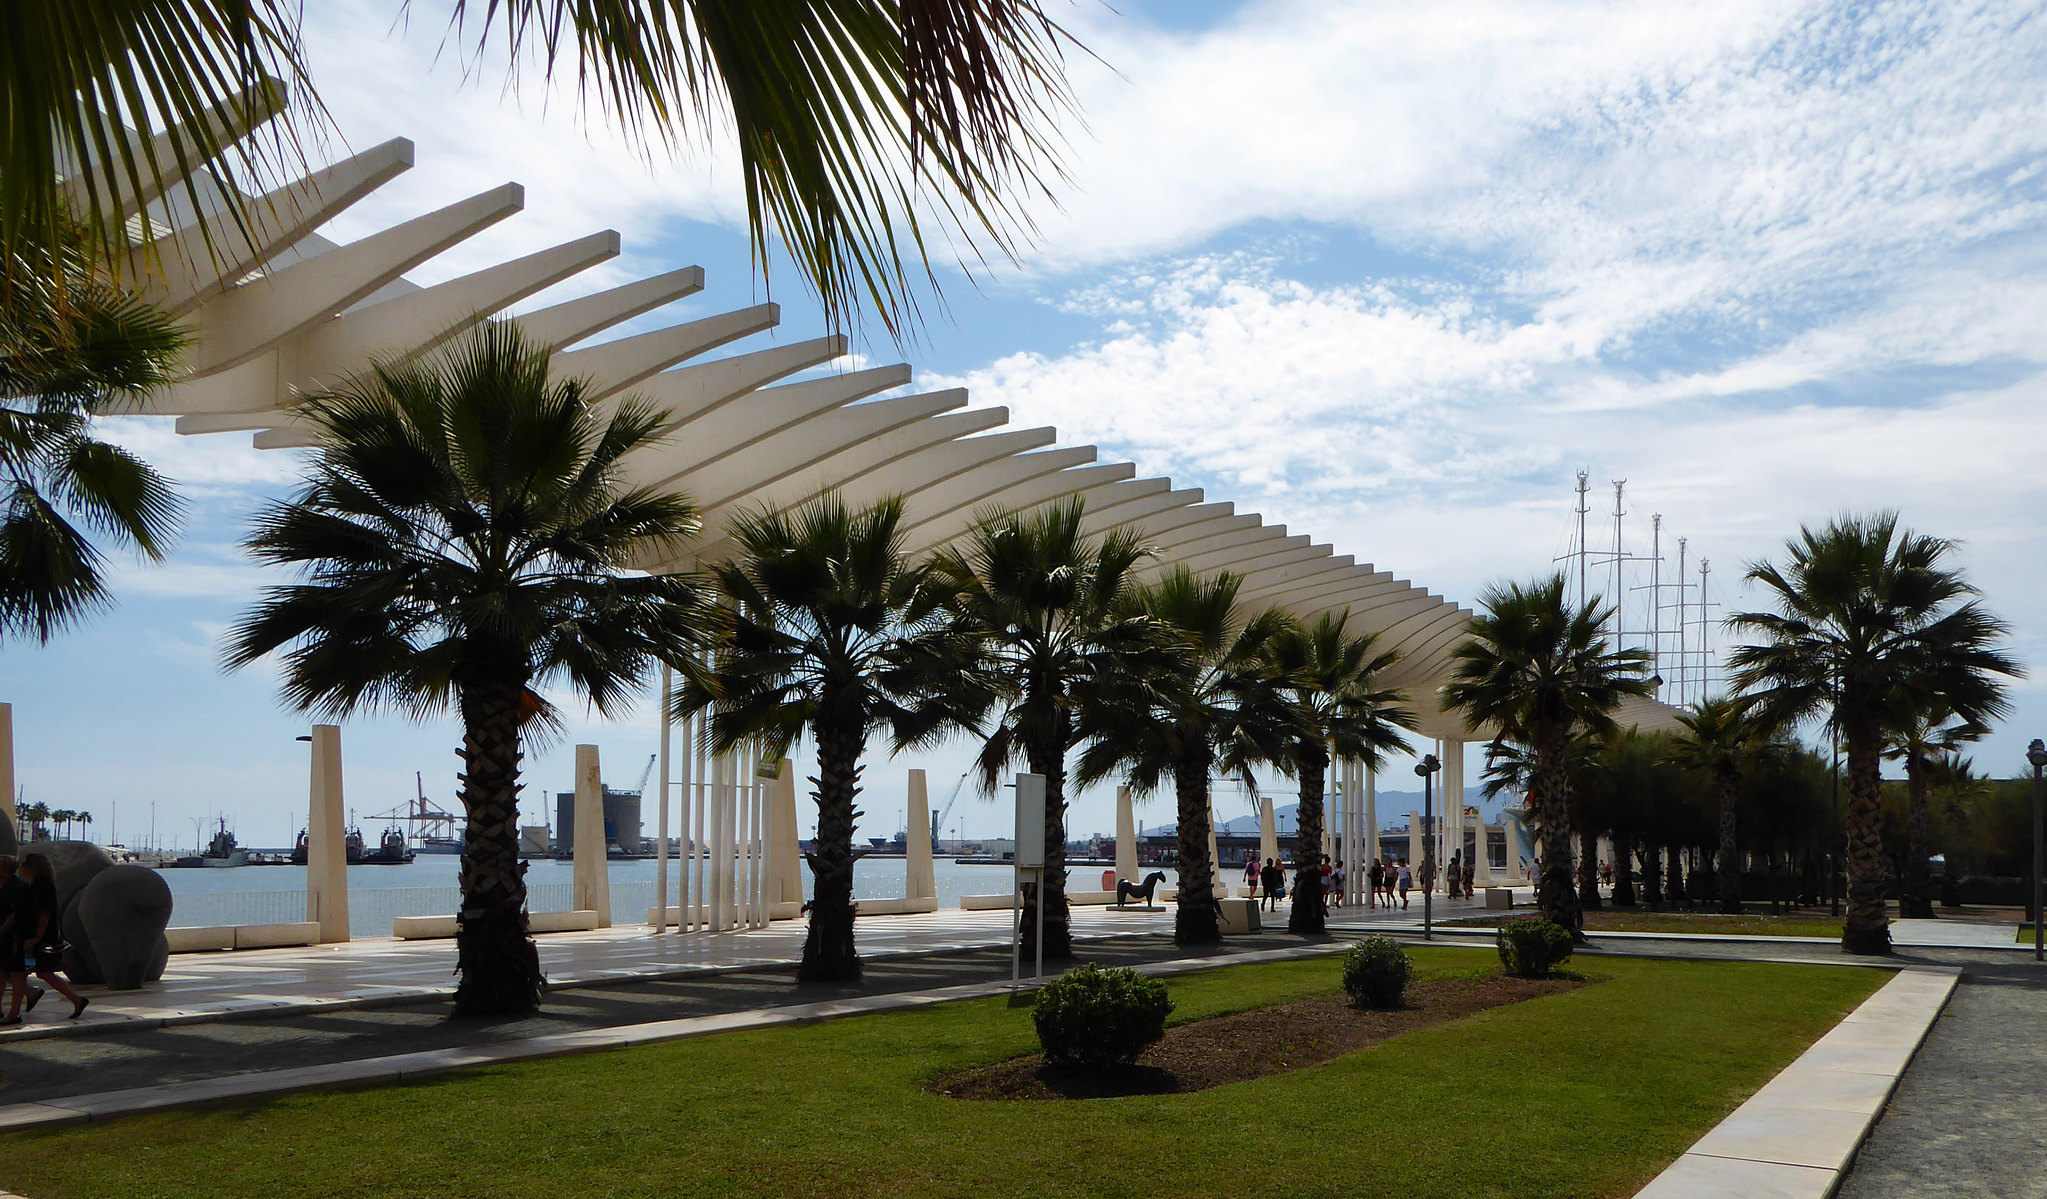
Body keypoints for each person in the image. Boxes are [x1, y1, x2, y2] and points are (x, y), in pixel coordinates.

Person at [17, 854, 85, 1021]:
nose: (21, 868)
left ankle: (18, 1007)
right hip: (37, 937)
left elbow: (45, 912)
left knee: (23, 971)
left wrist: (38, 937)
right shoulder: (36, 884)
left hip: (40, 938)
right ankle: (75, 999)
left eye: (24, 864)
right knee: (39, 972)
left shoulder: (42, 885)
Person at [0, 857, 24, 1025]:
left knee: (16, 975)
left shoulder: (15, 887)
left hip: (13, 937)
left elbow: (18, 913)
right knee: (1, 972)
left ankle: (14, 1013)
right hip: (3, 937)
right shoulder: (4, 886)